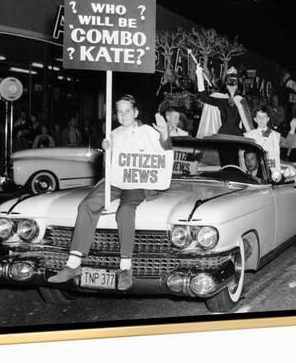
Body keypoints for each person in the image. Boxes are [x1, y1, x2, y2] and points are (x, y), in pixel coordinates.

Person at [48, 94, 172, 290]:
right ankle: (73, 264)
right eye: (119, 111)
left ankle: (125, 268)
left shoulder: (148, 131)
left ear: (136, 112)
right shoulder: (113, 134)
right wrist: (107, 151)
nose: (123, 115)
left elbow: (165, 151)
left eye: (127, 111)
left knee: (125, 211)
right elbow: (109, 167)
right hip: (115, 181)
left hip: (137, 183)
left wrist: (165, 133)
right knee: (86, 206)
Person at [195, 65, 253, 138]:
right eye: (229, 84)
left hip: (237, 135)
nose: (232, 87)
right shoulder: (222, 99)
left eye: (234, 84)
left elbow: (246, 123)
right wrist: (199, 76)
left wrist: (248, 138)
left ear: (238, 86)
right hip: (223, 134)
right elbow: (203, 98)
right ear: (226, 85)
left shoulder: (241, 101)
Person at [243, 106, 281, 173]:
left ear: (268, 119)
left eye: (264, 117)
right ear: (255, 119)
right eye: (259, 117)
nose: (262, 119)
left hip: (273, 173)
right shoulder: (247, 136)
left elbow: (288, 143)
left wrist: (292, 131)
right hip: (254, 174)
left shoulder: (276, 136)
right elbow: (243, 156)